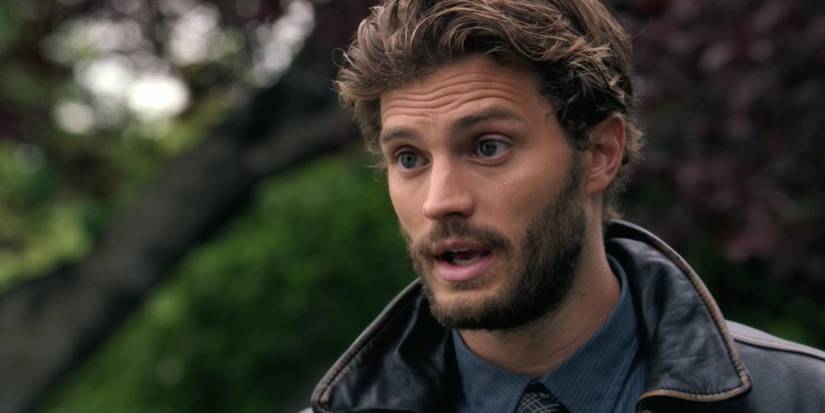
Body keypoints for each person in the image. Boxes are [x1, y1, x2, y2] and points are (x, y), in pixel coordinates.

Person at [307, 0, 825, 412]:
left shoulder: (802, 398)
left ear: (599, 153)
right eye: (409, 158)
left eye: (488, 147)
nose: (440, 201)